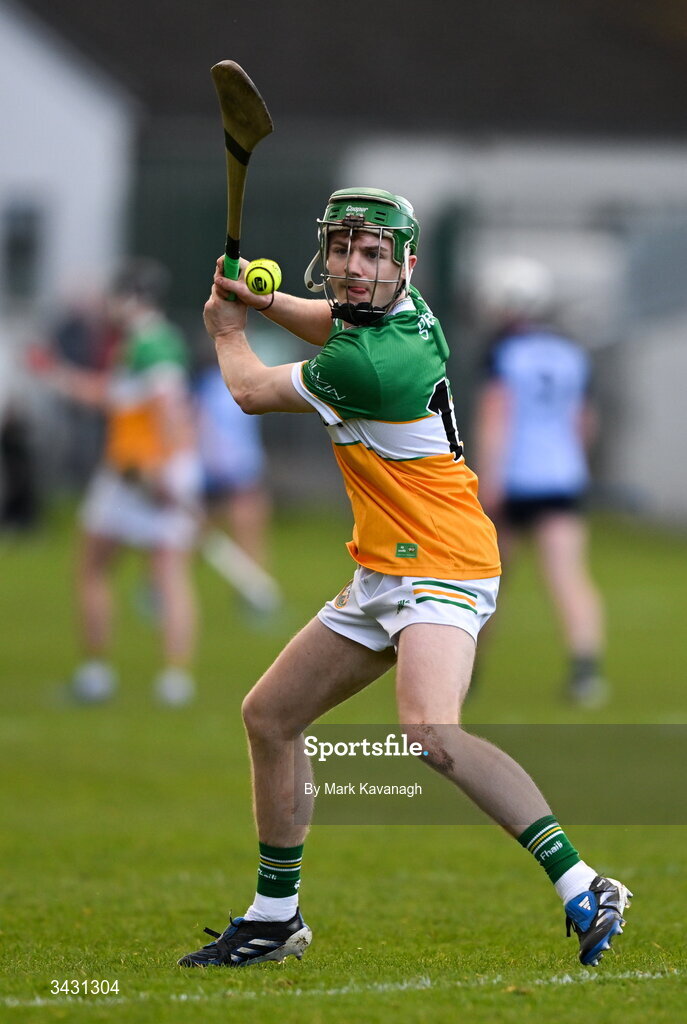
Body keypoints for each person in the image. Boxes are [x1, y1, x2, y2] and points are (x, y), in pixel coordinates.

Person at [178, 189, 631, 969]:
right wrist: (261, 297)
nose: (355, 269)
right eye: (345, 251)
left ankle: (585, 884)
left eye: (373, 255)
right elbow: (329, 318)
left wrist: (228, 328)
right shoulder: (395, 313)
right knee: (269, 716)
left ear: (405, 265)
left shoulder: (368, 365)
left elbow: (250, 391)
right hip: (382, 569)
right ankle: (274, 918)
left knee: (430, 733)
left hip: (445, 564)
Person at [33, 259, 200, 706]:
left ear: (132, 297)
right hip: (143, 469)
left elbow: (169, 408)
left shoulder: (151, 343)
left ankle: (101, 675)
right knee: (165, 574)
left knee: (101, 568)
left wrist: (162, 470)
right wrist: (56, 374)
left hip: (142, 471)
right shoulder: (144, 342)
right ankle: (171, 680)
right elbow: (113, 397)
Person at [473, 257, 607, 707]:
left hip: (513, 479)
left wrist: (488, 476)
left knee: (488, 582)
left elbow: (497, 417)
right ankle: (586, 672)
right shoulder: (572, 352)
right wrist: (575, 464)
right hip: (562, 478)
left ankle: (465, 673)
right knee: (569, 576)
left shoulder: (500, 352)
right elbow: (584, 422)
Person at [193, 343, 281, 614]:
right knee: (244, 536)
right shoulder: (223, 386)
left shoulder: (207, 387)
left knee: (194, 533)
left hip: (220, 470)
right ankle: (257, 597)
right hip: (233, 471)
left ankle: (159, 590)